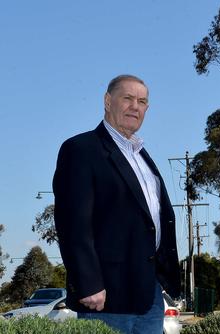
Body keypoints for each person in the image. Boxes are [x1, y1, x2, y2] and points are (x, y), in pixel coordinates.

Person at [53, 75, 181, 333]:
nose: (135, 106)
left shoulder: (143, 157)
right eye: (128, 98)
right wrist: (88, 283)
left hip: (150, 295)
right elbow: (73, 225)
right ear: (107, 101)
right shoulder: (81, 149)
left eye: (142, 101)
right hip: (106, 296)